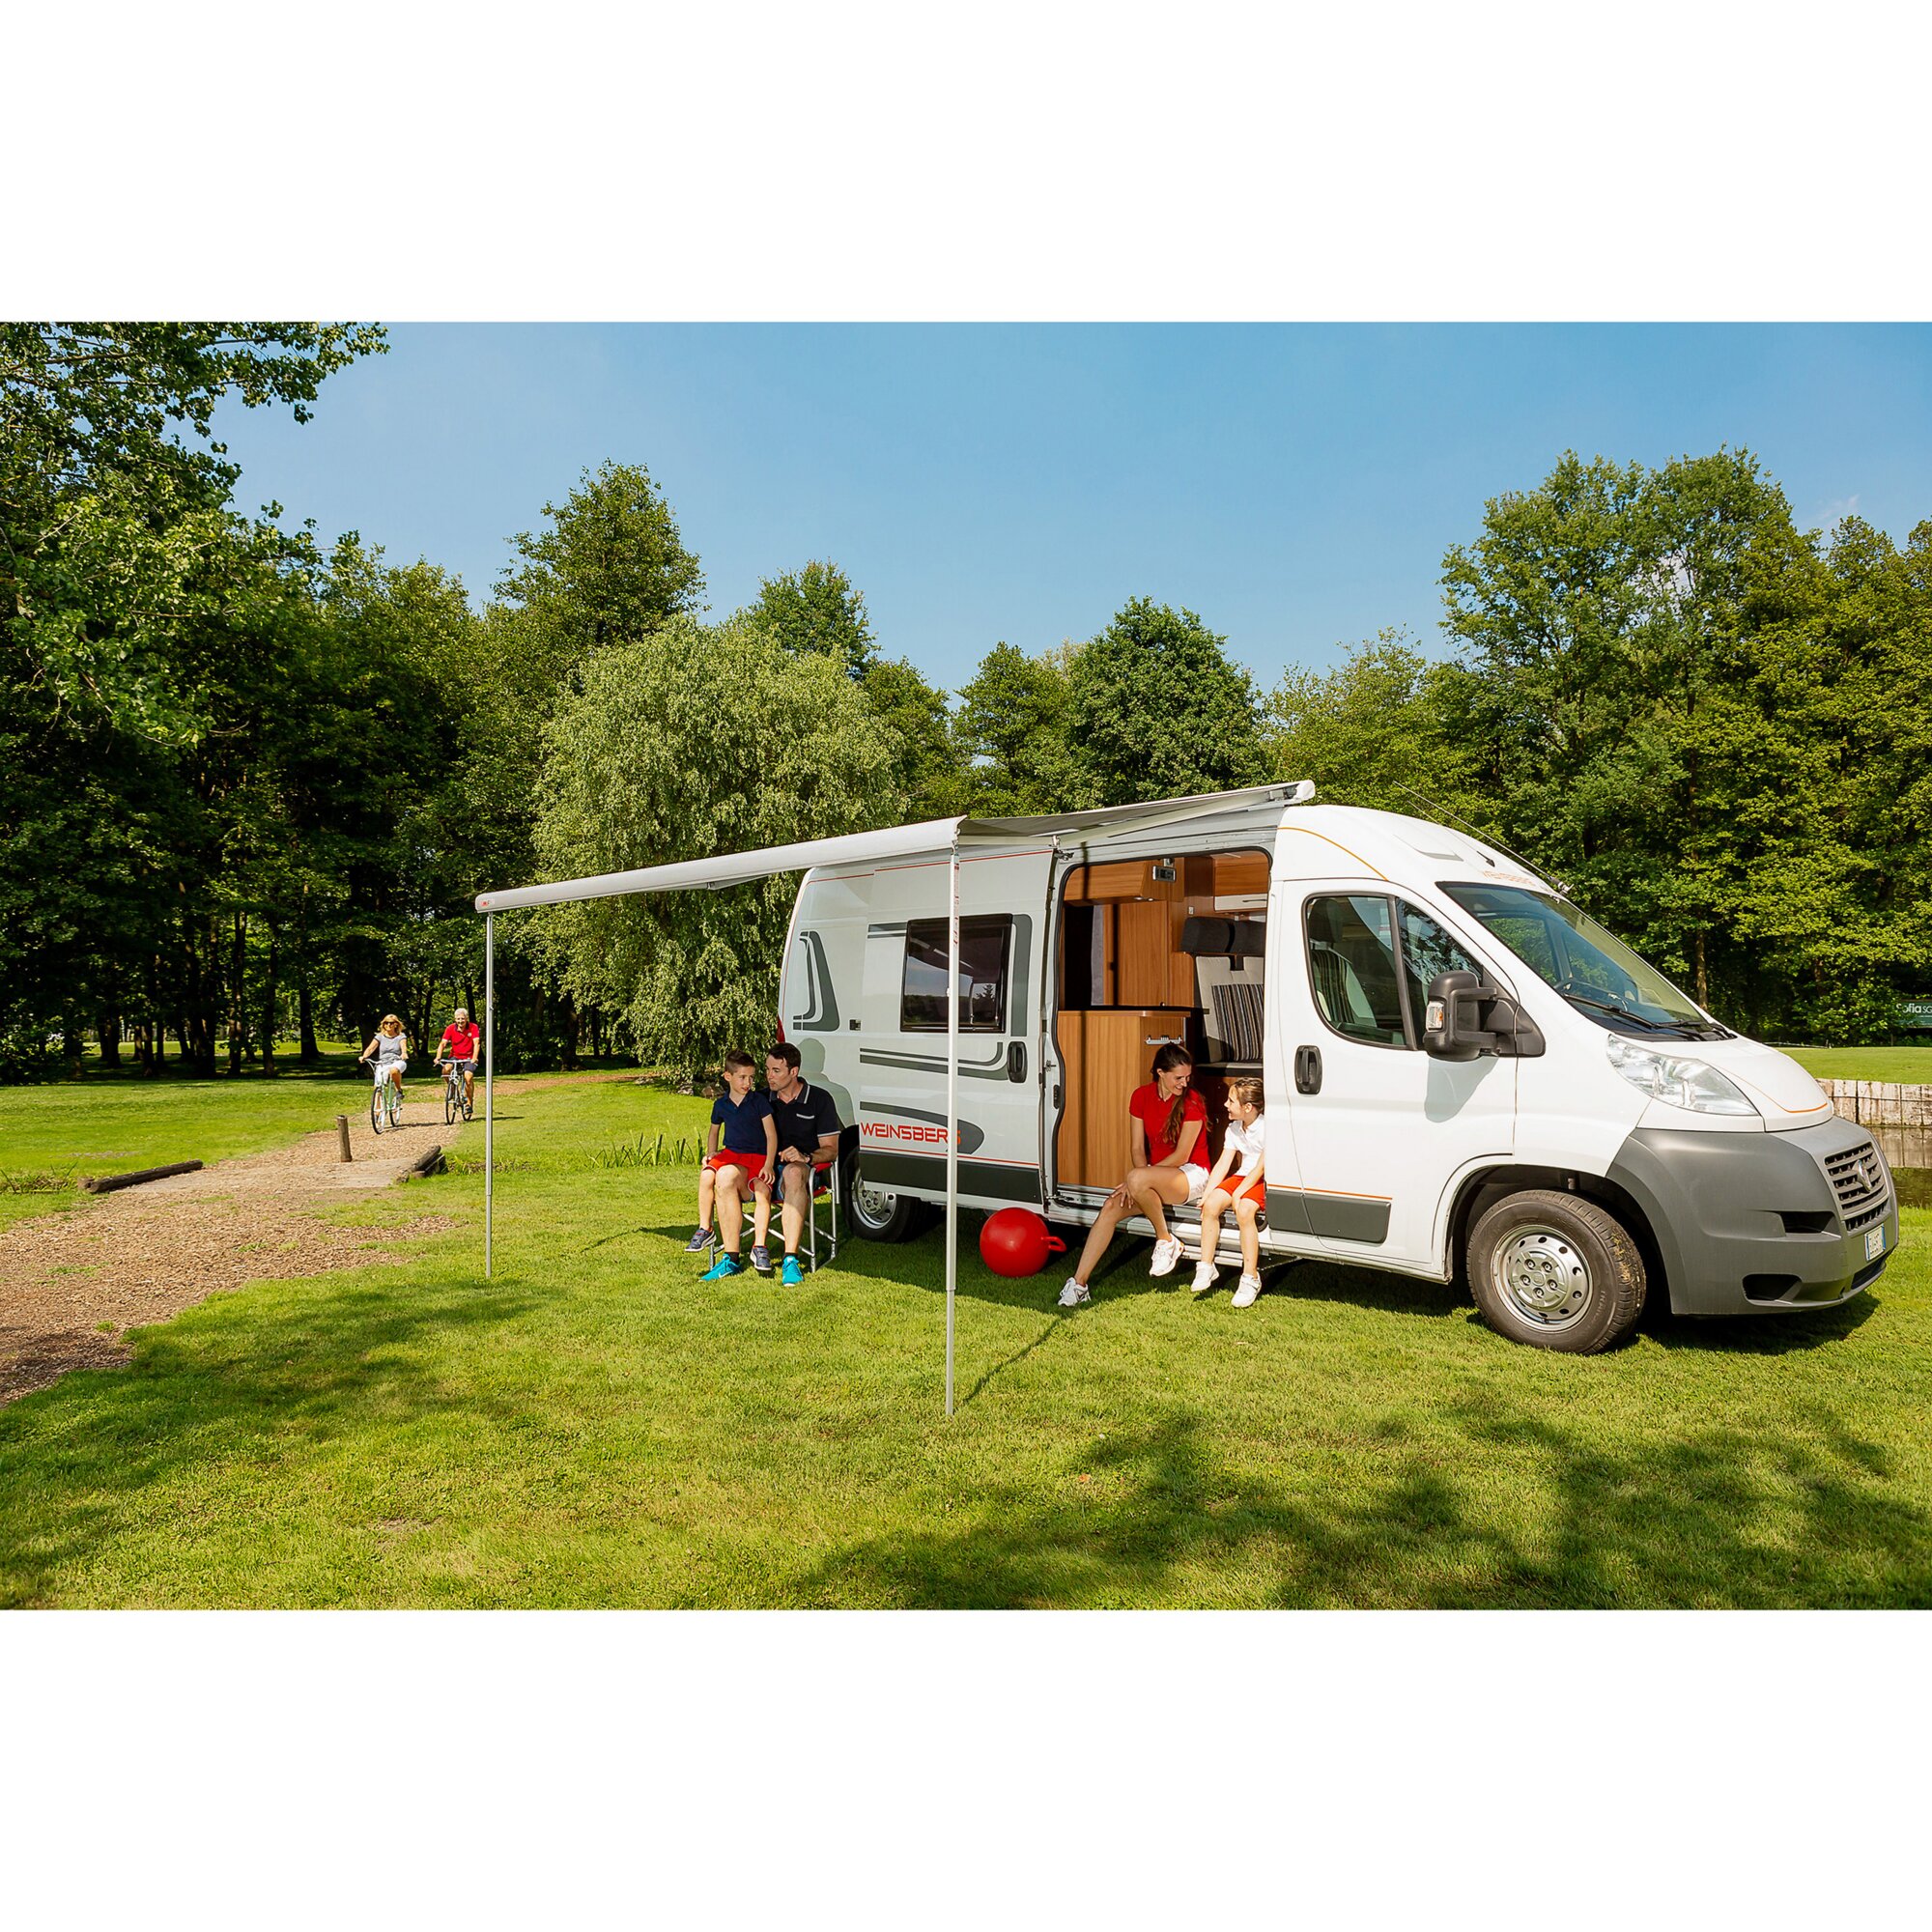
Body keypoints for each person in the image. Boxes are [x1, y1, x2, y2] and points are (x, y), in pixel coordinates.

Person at [1057, 1044, 1209, 1307]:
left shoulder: (1192, 1100)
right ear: (1160, 1072)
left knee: (1136, 1179)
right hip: (1155, 1175)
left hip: (1191, 1173)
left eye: (1187, 1077)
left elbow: (1182, 1155)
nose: (1184, 1083)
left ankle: (1166, 1240)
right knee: (1110, 1207)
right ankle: (1079, 1285)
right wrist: (1140, 1178)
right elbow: (1137, 1148)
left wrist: (1139, 1178)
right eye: (1178, 1077)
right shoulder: (1140, 1096)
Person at [755, 1042, 846, 1286]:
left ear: (793, 1071)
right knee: (724, 1174)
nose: (769, 1076)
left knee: (794, 1172)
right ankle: (730, 1257)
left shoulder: (819, 1099)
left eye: (776, 1071)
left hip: (803, 1172)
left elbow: (831, 1150)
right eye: (767, 1069)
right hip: (763, 1170)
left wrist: (806, 1157)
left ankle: (790, 1259)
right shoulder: (761, 1099)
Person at [687, 1050, 778, 1280]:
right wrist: (711, 1153)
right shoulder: (721, 1105)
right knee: (706, 1174)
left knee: (762, 1191)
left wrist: (769, 1164)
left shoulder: (758, 1102)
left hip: (756, 1157)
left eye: (751, 1077)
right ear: (728, 1076)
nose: (748, 1082)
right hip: (731, 1154)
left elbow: (771, 1135)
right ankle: (705, 1228)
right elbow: (714, 1132)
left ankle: (759, 1247)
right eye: (742, 1077)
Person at [1191, 1076, 1267, 1308]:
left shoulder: (1267, 1127)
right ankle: (1206, 1266)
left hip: (1263, 1179)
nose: (1226, 1104)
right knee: (1211, 1205)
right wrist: (1208, 1193)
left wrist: (1238, 1193)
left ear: (1248, 1107)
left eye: (1231, 1101)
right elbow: (1223, 1164)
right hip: (1244, 1176)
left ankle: (1250, 1277)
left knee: (1244, 1210)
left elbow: (1261, 1168)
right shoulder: (1234, 1128)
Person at [435, 1007, 481, 1109]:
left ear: (466, 1018)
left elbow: (476, 1043)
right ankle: (453, 1089)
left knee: (468, 1077)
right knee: (446, 1070)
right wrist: (438, 1057)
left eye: (462, 1019)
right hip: (455, 1056)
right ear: (455, 1019)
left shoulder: (473, 1027)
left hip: (469, 1057)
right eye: (458, 1019)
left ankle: (469, 1103)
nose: (460, 1021)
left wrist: (474, 1057)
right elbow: (443, 1043)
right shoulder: (450, 1028)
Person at [358, 1014, 410, 1104]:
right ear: (383, 1024)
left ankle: (398, 1090)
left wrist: (404, 1053)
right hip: (383, 1062)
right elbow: (370, 1048)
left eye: (391, 1023)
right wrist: (364, 1056)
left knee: (393, 1070)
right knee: (378, 1086)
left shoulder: (401, 1036)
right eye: (386, 1023)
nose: (388, 1025)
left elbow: (403, 1047)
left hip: (397, 1061)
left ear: (396, 1024)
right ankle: (377, 1110)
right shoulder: (379, 1036)